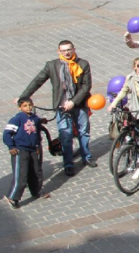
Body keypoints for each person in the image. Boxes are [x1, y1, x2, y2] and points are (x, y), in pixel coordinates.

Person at [17, 40, 94, 175]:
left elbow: (86, 86)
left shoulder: (83, 64)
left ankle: (86, 157)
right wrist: (23, 97)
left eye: (69, 49)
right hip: (61, 106)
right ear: (59, 51)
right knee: (66, 134)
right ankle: (68, 163)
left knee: (84, 132)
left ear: (74, 49)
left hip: (80, 104)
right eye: (63, 50)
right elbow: (37, 81)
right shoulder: (52, 65)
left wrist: (73, 102)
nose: (67, 52)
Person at [4, 97, 52, 208]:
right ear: (19, 107)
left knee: (36, 171)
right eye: (25, 106)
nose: (28, 107)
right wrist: (11, 146)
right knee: (21, 175)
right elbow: (7, 134)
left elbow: (36, 126)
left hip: (34, 149)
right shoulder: (17, 119)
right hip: (20, 150)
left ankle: (37, 191)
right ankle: (13, 197)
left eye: (30, 105)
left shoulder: (35, 118)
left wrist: (41, 121)